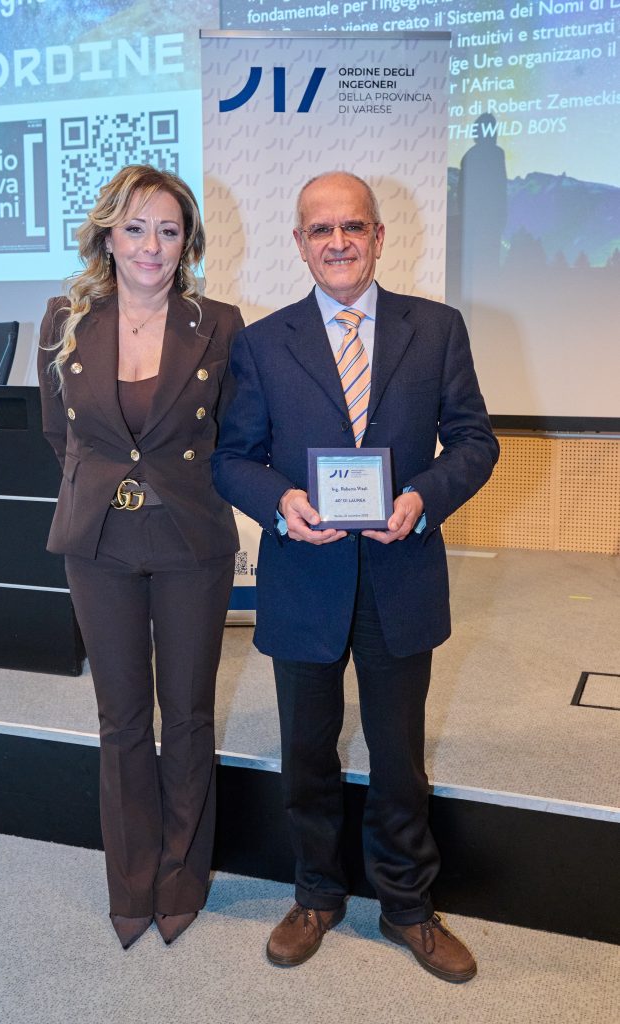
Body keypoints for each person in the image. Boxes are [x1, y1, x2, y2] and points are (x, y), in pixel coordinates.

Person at [212, 171, 499, 982]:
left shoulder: (435, 329)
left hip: (401, 574)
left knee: (399, 756)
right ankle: (315, 895)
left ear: (378, 236)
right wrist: (281, 503)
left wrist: (422, 498)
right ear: (299, 243)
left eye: (353, 227)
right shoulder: (263, 343)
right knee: (307, 753)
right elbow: (232, 459)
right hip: (304, 578)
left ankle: (407, 905)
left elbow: (475, 441)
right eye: (321, 229)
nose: (337, 242)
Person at [38, 164, 243, 950]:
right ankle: (130, 882)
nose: (151, 245)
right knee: (120, 717)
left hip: (190, 539)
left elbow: (234, 434)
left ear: (187, 240)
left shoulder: (218, 322)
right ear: (108, 236)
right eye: (134, 228)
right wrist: (103, 490)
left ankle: (181, 877)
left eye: (167, 229)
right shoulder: (65, 319)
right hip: (99, 541)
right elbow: (59, 432)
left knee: (187, 714)